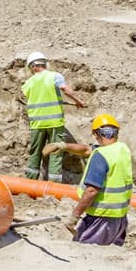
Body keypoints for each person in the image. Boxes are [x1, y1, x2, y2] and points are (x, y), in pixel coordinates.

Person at [43, 113, 132, 246]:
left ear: (97, 134)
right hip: (120, 219)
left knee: (83, 251)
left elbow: (91, 191)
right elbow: (86, 150)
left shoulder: (100, 156)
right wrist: (62, 146)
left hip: (101, 220)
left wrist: (74, 216)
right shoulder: (122, 149)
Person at [21, 51, 86, 182]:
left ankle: (30, 182)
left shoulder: (28, 83)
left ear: (33, 66)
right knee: (56, 153)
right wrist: (78, 101)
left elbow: (35, 98)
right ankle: (53, 187)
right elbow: (65, 89)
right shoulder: (54, 76)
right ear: (43, 63)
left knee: (35, 153)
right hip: (55, 123)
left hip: (37, 124)